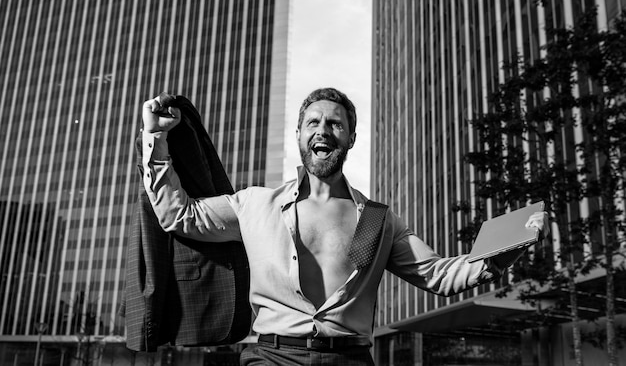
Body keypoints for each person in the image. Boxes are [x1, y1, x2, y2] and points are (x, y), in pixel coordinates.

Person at [141, 87, 547, 365]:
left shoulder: (378, 220)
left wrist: (505, 249)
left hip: (349, 358)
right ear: (299, 135)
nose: (323, 130)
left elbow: (438, 275)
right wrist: (156, 140)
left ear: (351, 137)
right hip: (272, 357)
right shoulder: (254, 204)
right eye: (313, 122)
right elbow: (179, 215)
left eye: (335, 124)